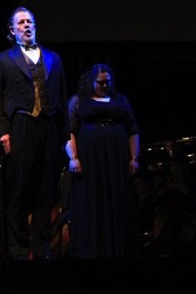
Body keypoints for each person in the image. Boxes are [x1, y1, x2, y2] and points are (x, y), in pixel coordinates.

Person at [0, 7, 68, 260]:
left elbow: (62, 97)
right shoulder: (3, 59)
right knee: (19, 190)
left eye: (30, 21)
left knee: (45, 189)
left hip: (49, 126)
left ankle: (42, 249)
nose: (27, 25)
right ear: (13, 30)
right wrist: (2, 132)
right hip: (21, 125)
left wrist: (64, 133)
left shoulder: (53, 58)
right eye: (21, 22)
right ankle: (19, 250)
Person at [64, 63, 141, 258]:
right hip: (90, 159)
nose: (105, 86)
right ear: (91, 81)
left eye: (108, 82)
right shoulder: (79, 101)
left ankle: (120, 248)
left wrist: (134, 158)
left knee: (118, 199)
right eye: (100, 82)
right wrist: (74, 158)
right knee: (92, 200)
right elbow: (69, 132)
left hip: (117, 157)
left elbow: (133, 130)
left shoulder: (120, 100)